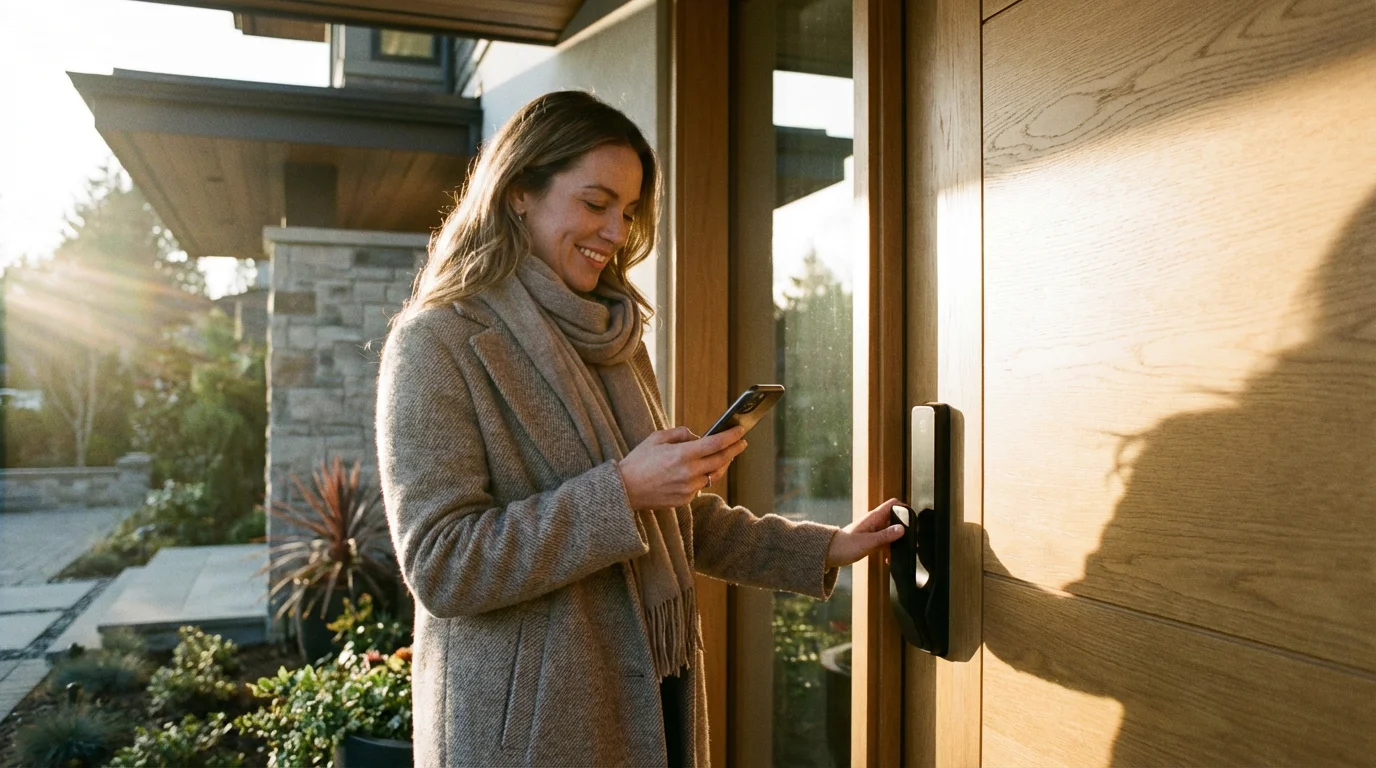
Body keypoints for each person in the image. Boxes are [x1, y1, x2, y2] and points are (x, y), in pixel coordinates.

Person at [376, 90, 904, 768]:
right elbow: (443, 564)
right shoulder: (438, 342)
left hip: (649, 700)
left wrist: (824, 547)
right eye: (596, 204)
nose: (616, 233)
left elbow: (671, 523)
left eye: (627, 212)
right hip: (527, 735)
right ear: (517, 193)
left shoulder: (615, 337)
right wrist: (621, 490)